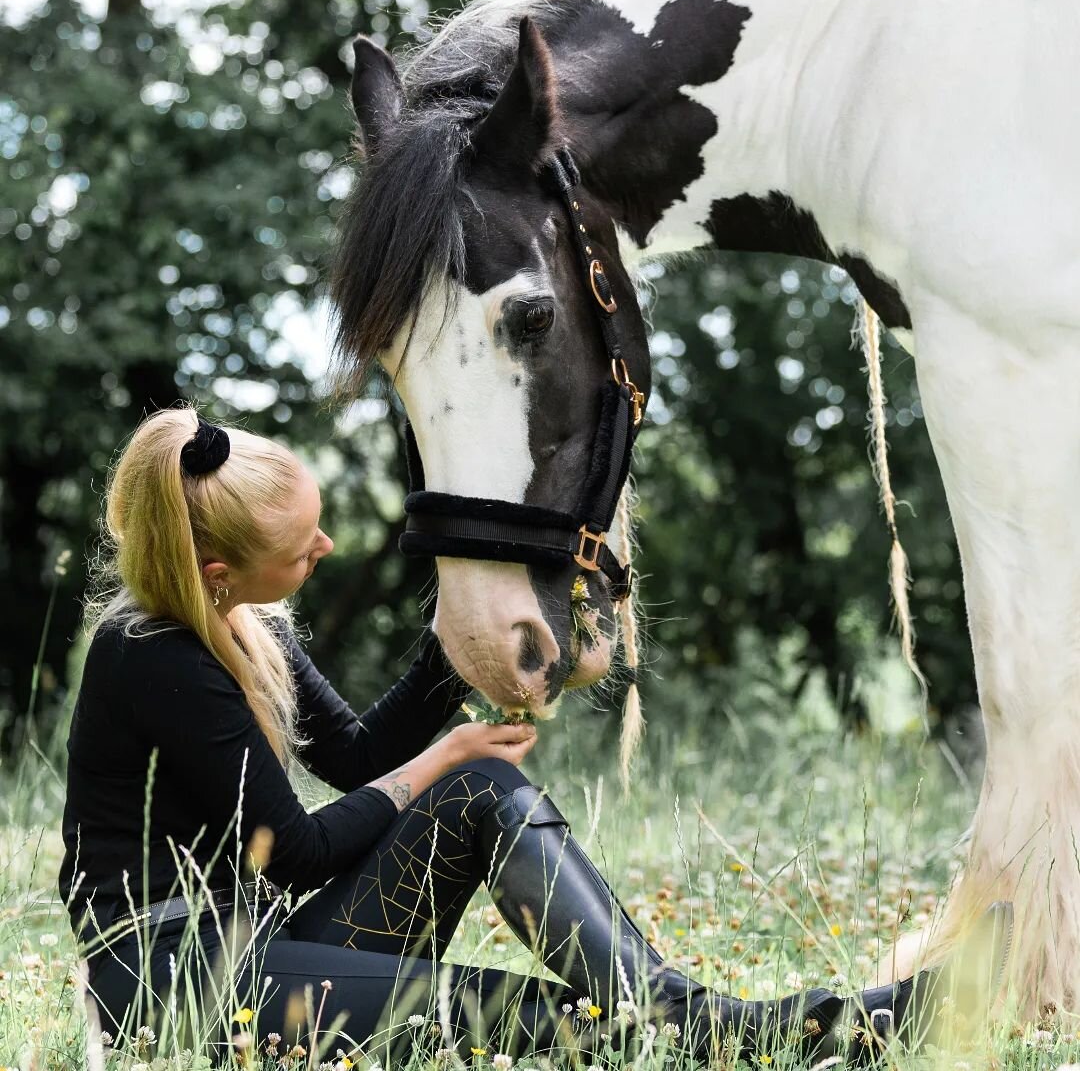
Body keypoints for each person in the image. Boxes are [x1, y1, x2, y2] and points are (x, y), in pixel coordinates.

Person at [59, 407, 955, 1064]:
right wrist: (441, 753)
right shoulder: (151, 657)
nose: (326, 546)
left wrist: (471, 640)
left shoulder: (248, 624)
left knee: (482, 793)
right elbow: (291, 850)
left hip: (264, 948)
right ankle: (780, 1035)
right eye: (300, 549)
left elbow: (359, 760)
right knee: (542, 1021)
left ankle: (726, 1021)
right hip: (178, 990)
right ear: (216, 572)